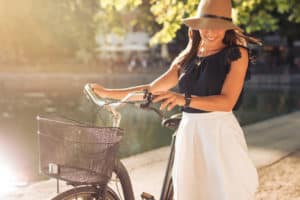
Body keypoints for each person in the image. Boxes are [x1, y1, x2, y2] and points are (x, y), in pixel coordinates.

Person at [91, 0, 262, 199]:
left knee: (222, 192)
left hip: (218, 132)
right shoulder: (188, 56)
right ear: (197, 26)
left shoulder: (236, 54)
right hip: (189, 131)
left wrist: (184, 99)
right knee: (189, 192)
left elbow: (226, 102)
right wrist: (108, 93)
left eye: (218, 27)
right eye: (205, 26)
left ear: (227, 28)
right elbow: (151, 89)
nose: (210, 32)